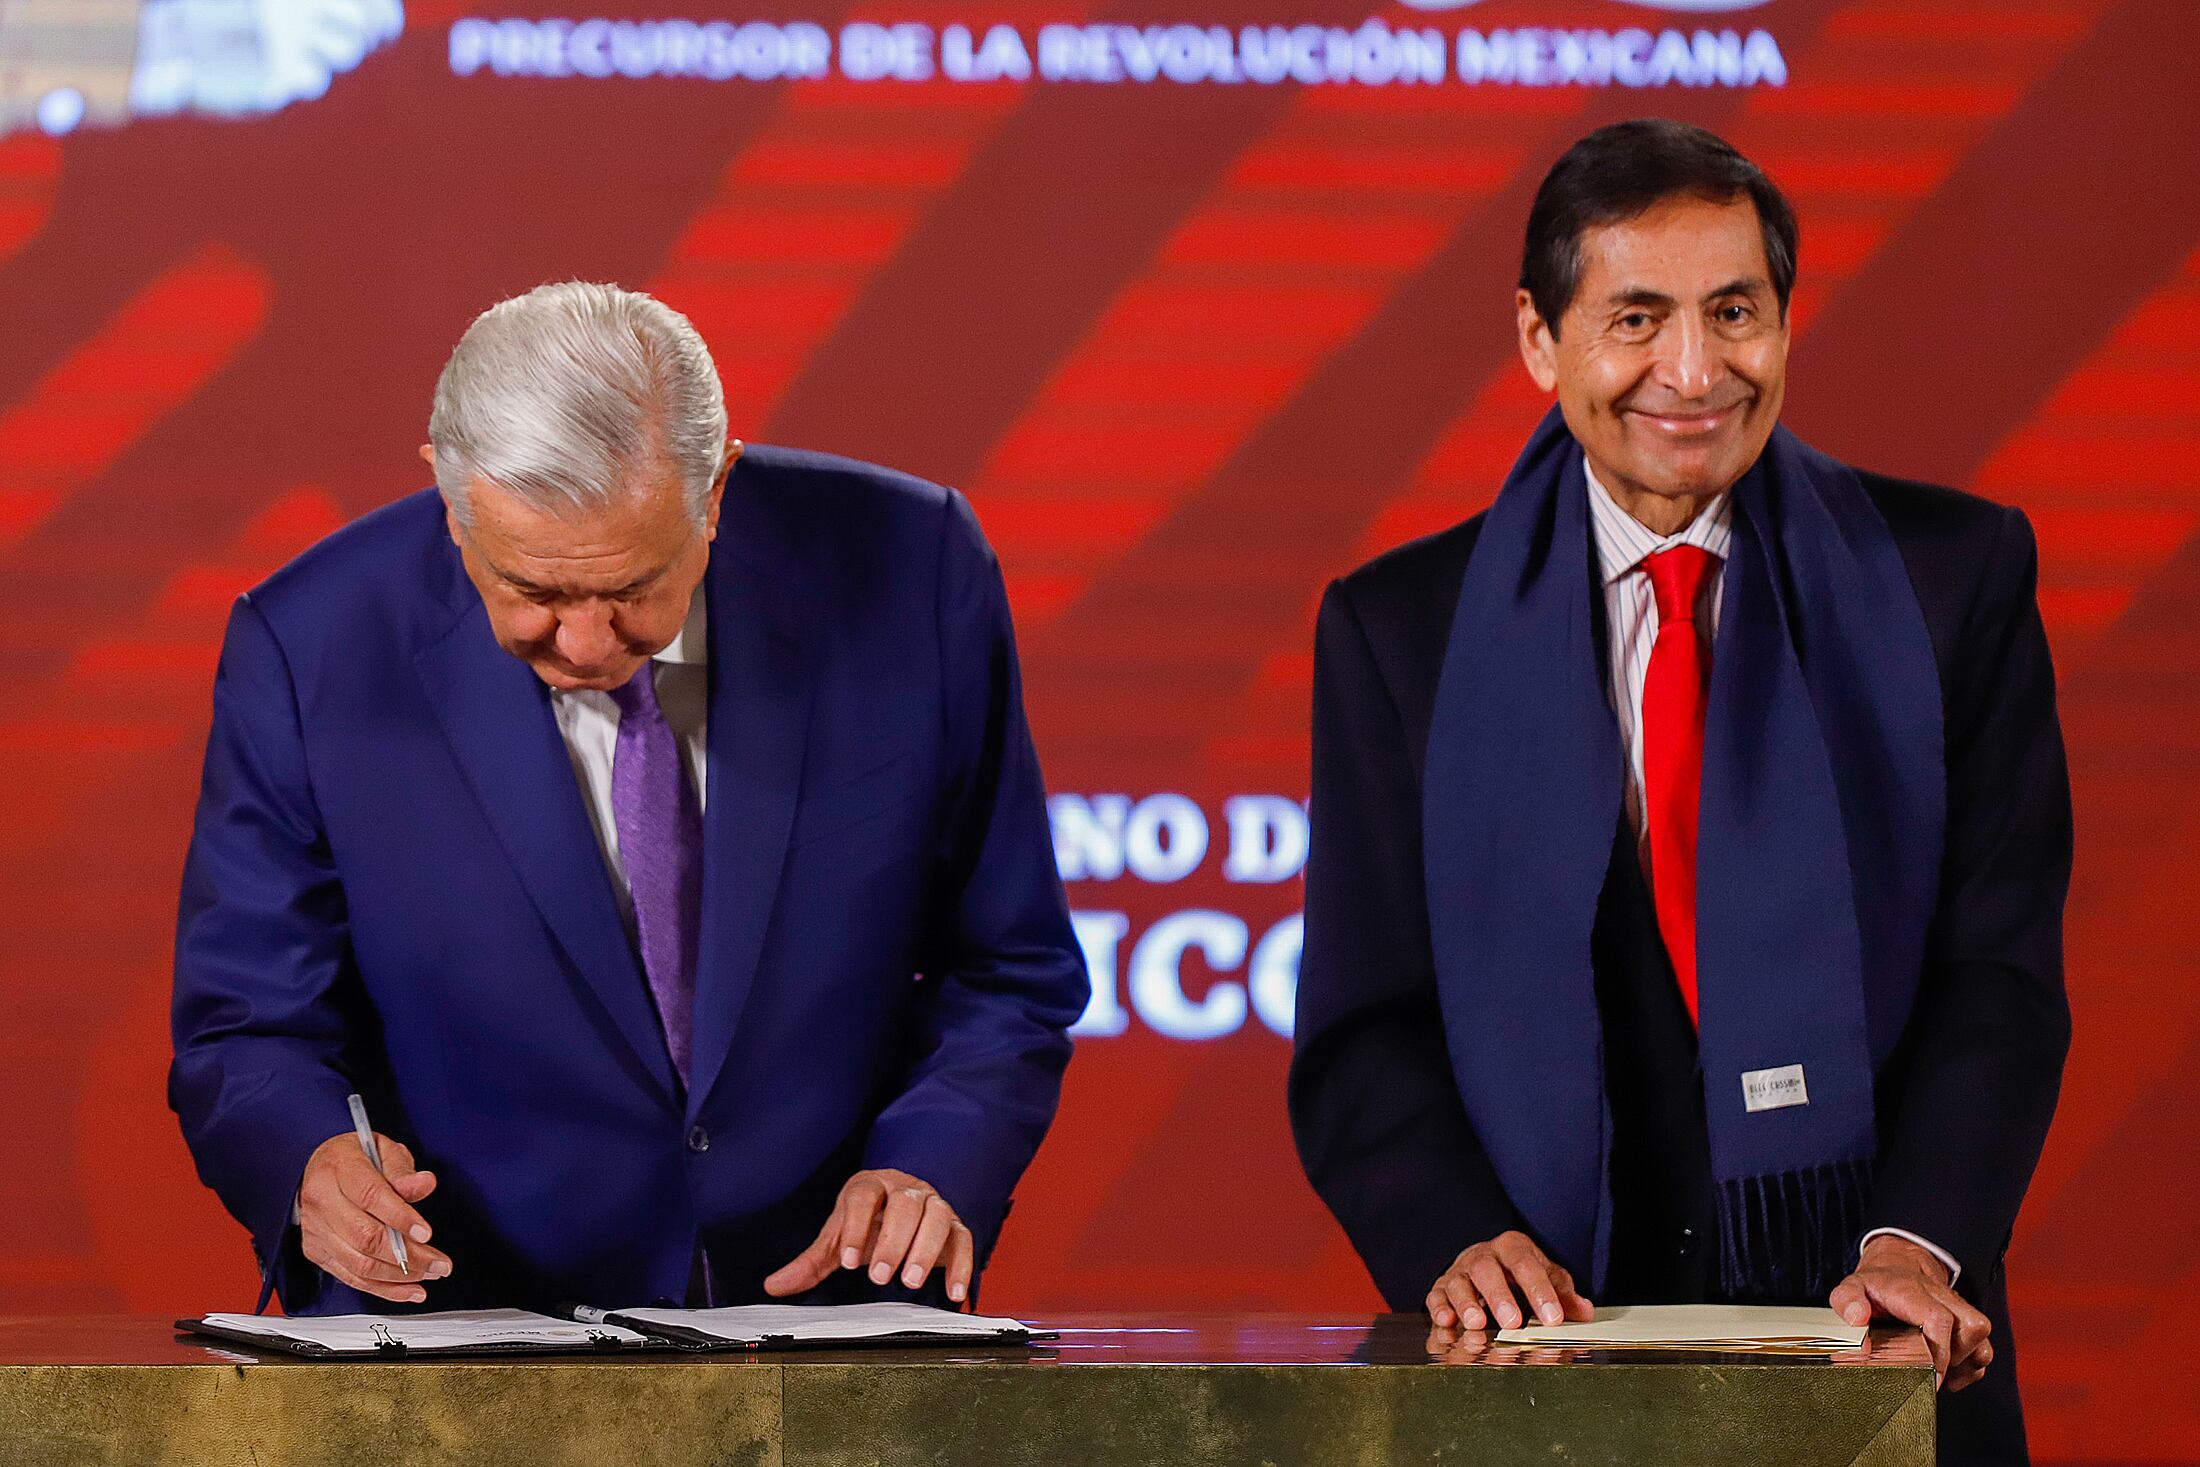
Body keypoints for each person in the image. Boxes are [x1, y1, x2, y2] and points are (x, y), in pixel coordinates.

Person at [1290, 120, 2070, 1465]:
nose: (1694, 370)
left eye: (1735, 312)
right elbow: (1365, 1029)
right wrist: (1456, 1239)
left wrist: (1916, 1237)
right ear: (1541, 339)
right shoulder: (1397, 631)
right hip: (1534, 1369)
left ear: (1786, 321)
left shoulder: (1959, 578)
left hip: (1880, 1352)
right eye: (1636, 317)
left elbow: (1997, 973)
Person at [171, 281, 1086, 1315]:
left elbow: (1009, 963)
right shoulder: (311, 643)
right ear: (451, 502)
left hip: (835, 1310)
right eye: (535, 594)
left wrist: (933, 1166)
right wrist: (312, 1161)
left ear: (716, 491)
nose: (589, 646)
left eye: (634, 588)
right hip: (461, 1326)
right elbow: (247, 1024)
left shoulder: (914, 571)